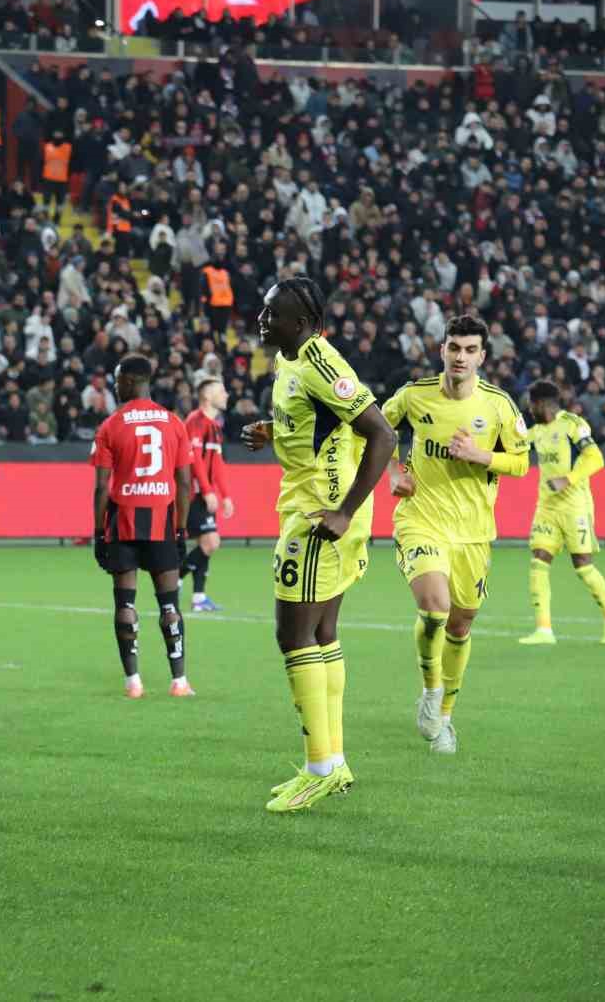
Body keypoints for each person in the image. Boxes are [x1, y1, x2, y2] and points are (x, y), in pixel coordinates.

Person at [246, 276, 395, 812]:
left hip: (321, 517)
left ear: (302, 323)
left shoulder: (324, 365)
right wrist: (273, 431)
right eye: (264, 311)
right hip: (309, 504)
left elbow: (382, 434)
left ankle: (315, 769)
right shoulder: (290, 359)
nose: (263, 321)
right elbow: (317, 424)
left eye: (273, 314)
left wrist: (345, 511)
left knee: (293, 635)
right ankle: (333, 764)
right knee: (324, 632)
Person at [382, 314, 530, 754]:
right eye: (454, 348)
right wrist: (393, 470)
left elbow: (521, 463)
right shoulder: (413, 395)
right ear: (441, 349)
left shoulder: (499, 405)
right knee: (435, 608)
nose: (460, 356)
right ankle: (430, 690)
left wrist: (481, 455)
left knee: (461, 624)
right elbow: (374, 429)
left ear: (483, 356)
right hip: (421, 519)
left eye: (469, 350)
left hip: (474, 532)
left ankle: (444, 716)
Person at [90, 355, 195, 699]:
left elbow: (102, 487)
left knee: (125, 603)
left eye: (118, 380)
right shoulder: (173, 422)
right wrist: (180, 530)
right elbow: (183, 483)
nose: (115, 385)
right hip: (162, 522)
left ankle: (133, 682)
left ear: (132, 381)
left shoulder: (111, 425)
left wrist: (98, 532)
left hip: (123, 522)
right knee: (169, 604)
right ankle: (179, 681)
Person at [518, 381, 605, 645]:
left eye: (532, 403)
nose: (529, 409)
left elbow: (596, 458)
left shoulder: (573, 424)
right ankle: (544, 629)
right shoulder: (537, 431)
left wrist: (569, 478)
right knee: (539, 561)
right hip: (547, 507)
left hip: (575, 506)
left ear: (543, 404)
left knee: (583, 566)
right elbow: (511, 446)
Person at [181, 376, 233, 612]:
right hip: (192, 494)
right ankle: (175, 576)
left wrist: (226, 495)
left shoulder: (214, 425)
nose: (226, 395)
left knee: (206, 543)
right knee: (211, 542)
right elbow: (194, 461)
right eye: (221, 391)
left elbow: (217, 464)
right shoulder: (195, 421)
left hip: (204, 493)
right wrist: (207, 490)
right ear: (207, 396)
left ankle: (199, 598)